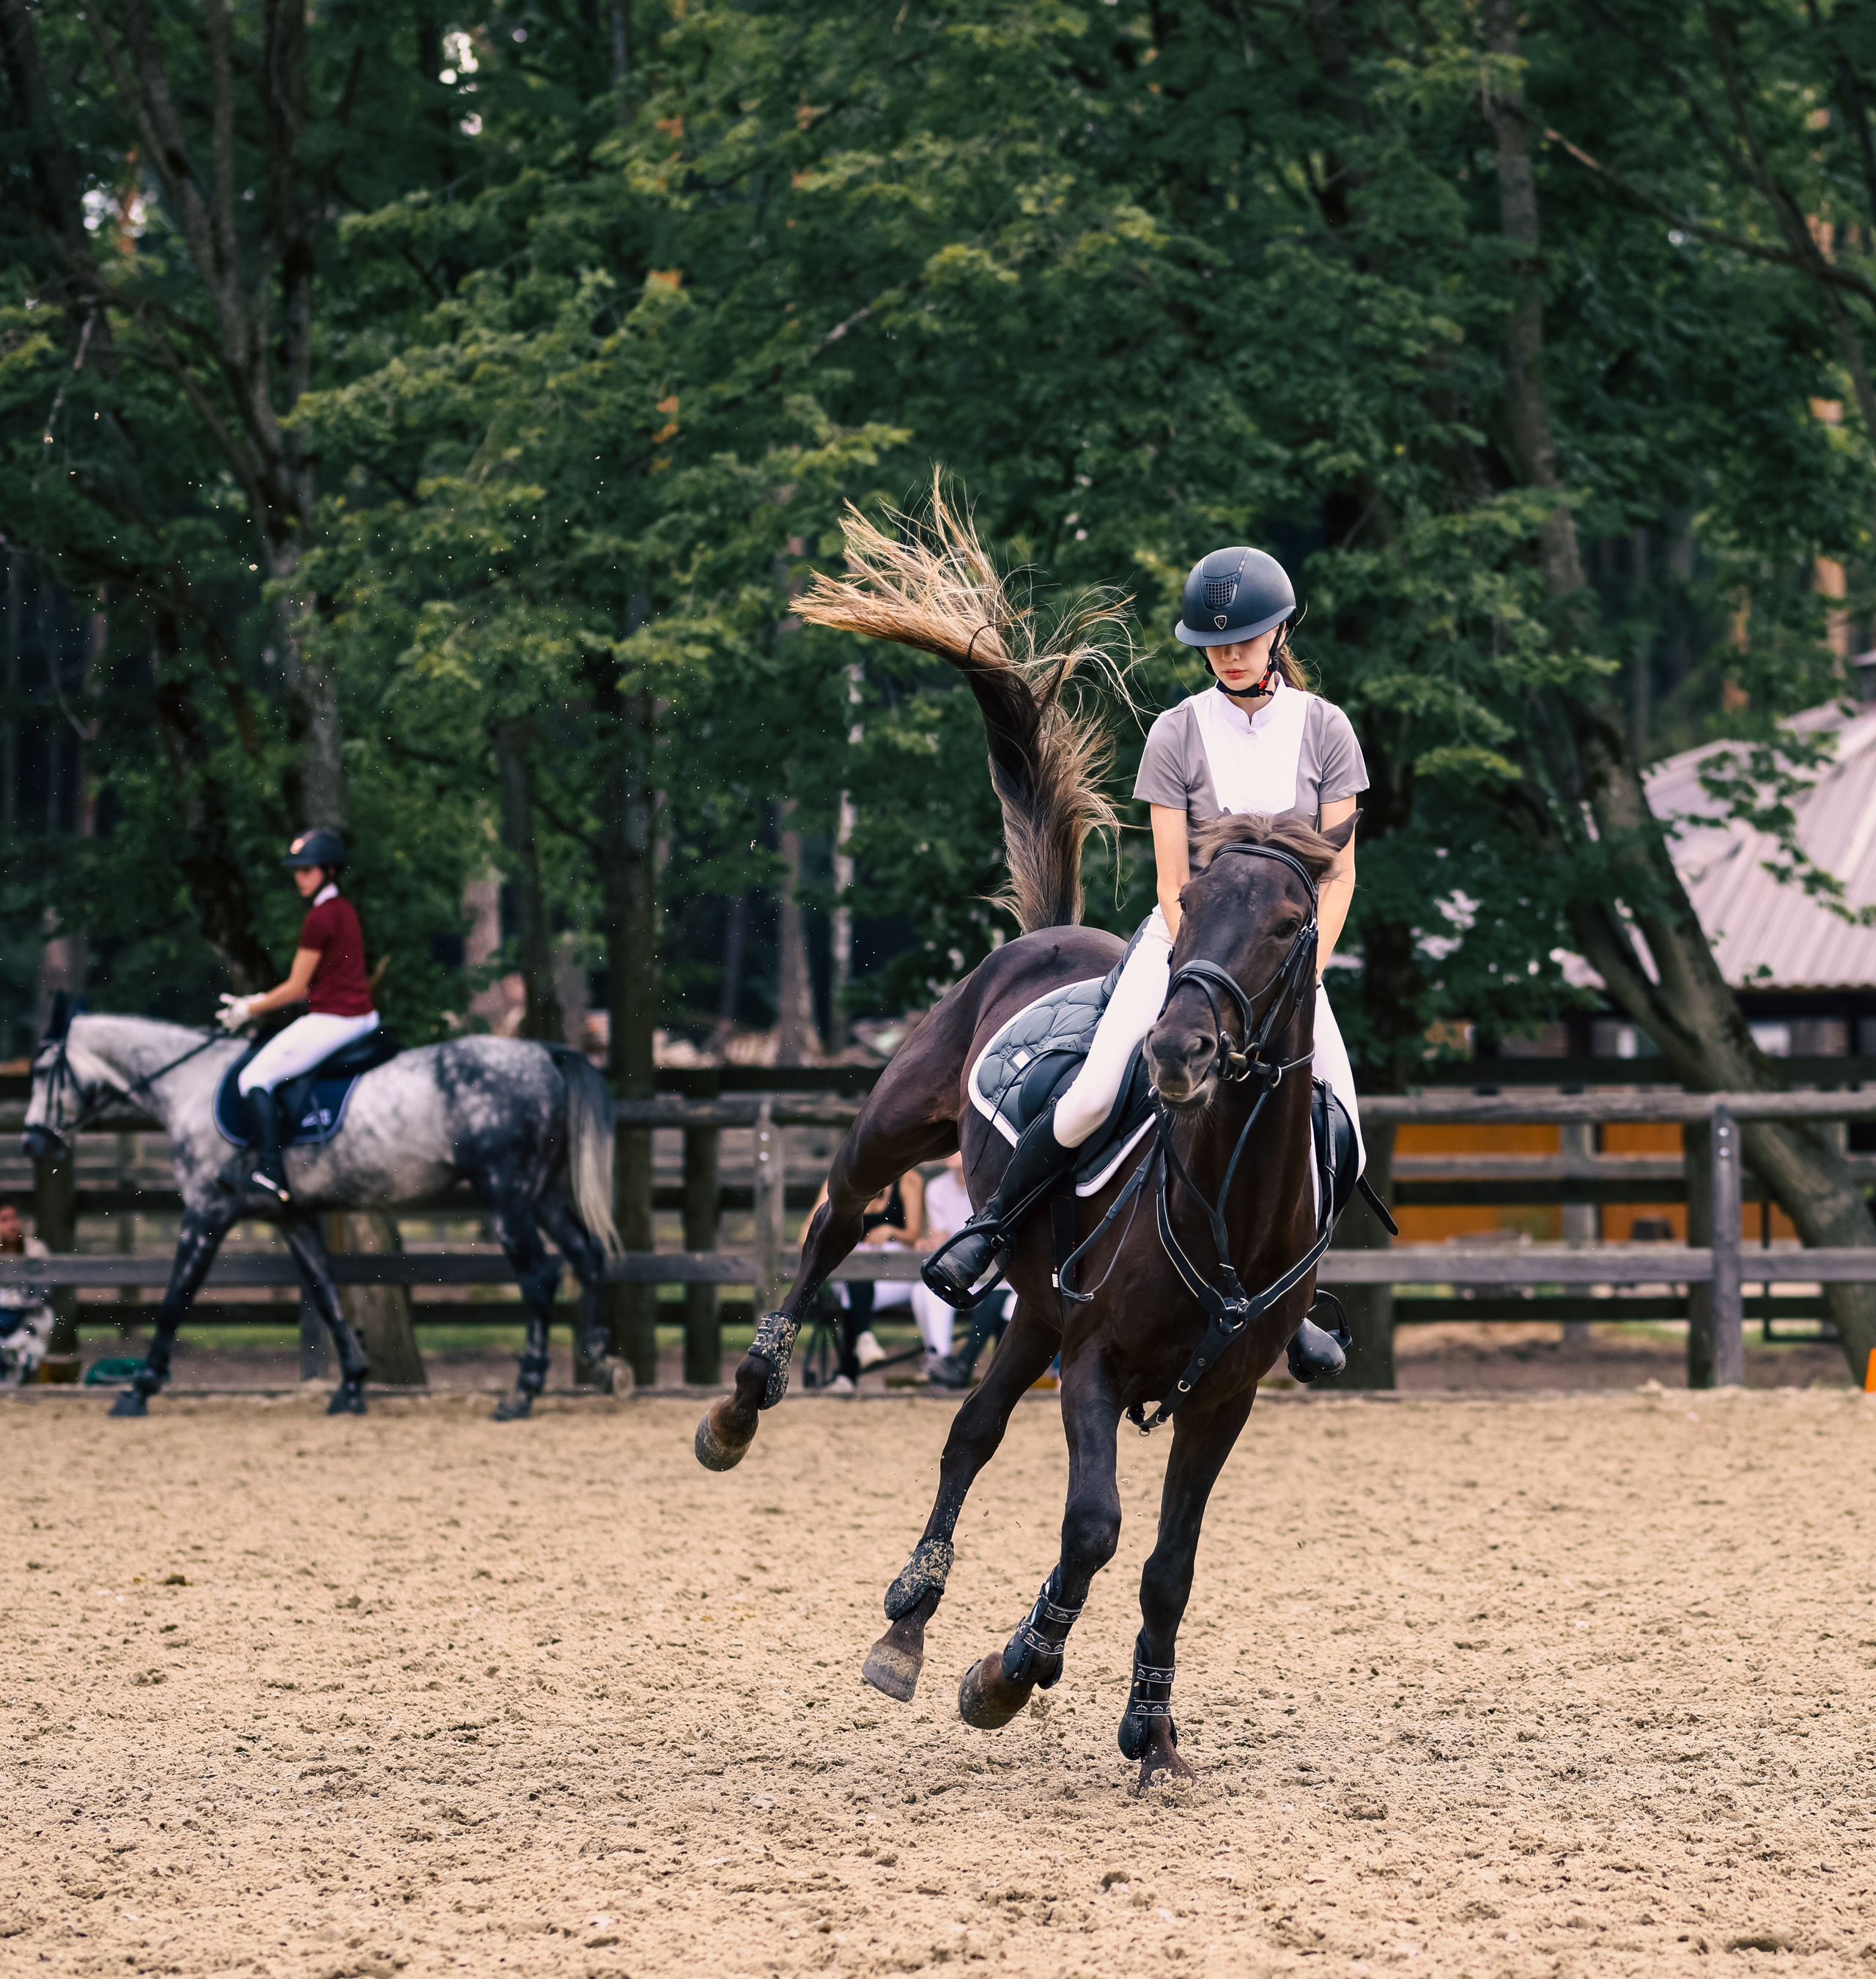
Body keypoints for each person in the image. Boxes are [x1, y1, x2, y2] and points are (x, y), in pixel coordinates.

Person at [922, 545, 1364, 1378]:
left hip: (1284, 963)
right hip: (1185, 944)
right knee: (1092, 1090)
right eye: (1214, 642)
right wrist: (1196, 965)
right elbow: (1170, 879)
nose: (1229, 653)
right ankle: (991, 1234)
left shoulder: (1326, 729)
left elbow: (1337, 873)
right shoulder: (1176, 731)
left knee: (1343, 1133)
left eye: (1245, 639)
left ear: (1277, 634)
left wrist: (1303, 973)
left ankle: (1291, 1296)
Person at [215, 828, 379, 1204]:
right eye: (297, 870)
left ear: (329, 871)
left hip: (335, 1019)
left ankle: (270, 1171)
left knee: (253, 1076)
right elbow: (307, 986)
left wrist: (247, 1008)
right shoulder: (344, 910)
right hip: (361, 1016)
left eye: (307, 870)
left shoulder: (320, 918)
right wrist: (258, 999)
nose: (299, 877)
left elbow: (294, 989)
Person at [819, 1169, 925, 1394]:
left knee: (853, 1290)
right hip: (853, 1271)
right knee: (856, 1275)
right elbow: (819, 1225)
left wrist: (891, 1230)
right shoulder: (846, 1180)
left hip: (893, 1274)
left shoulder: (909, 1180)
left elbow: (914, 1233)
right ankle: (863, 1339)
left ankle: (847, 1373)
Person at [916, 1151, 1009, 1390]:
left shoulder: (993, 1185)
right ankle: (943, 1359)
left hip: (999, 1275)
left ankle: (964, 1363)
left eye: (958, 1145)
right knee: (925, 1290)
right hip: (960, 1270)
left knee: (1003, 1295)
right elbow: (940, 1240)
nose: (951, 1150)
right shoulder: (936, 1189)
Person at [0, 1198, 51, 1387]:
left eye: (14, 1218)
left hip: (26, 1316)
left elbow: (40, 1295)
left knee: (28, 1338)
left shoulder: (35, 1251)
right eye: (4, 1220)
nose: (11, 1225)